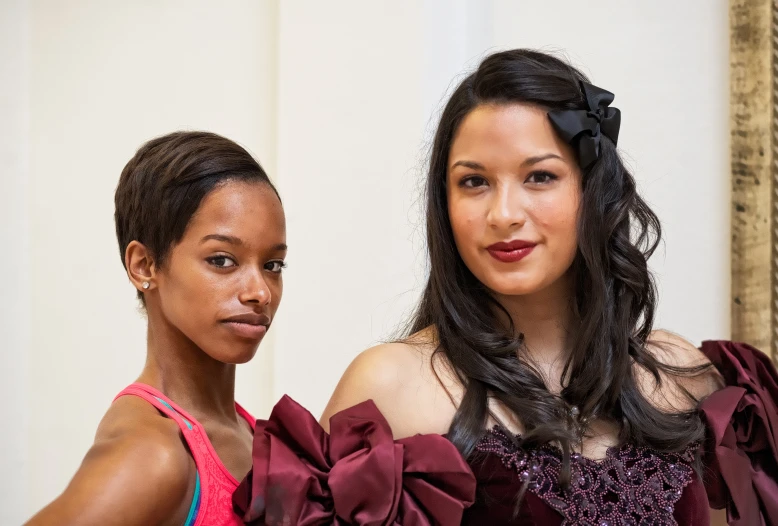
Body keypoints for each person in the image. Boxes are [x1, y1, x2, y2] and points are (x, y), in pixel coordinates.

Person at [234, 50, 778, 525]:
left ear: (593, 190)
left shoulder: (682, 377)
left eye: (539, 176)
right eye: (473, 182)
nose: (503, 214)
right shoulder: (393, 386)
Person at [28, 131, 286, 526]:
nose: (259, 292)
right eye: (222, 260)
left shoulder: (249, 433)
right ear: (144, 266)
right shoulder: (153, 453)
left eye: (273, 265)